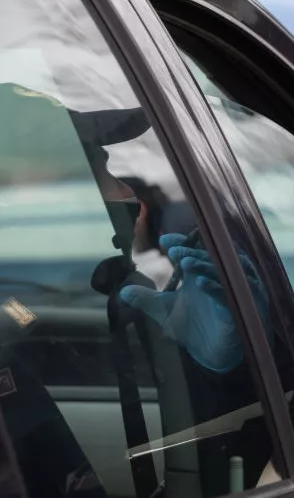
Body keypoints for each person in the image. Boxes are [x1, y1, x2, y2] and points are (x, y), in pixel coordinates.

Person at [0, 82, 275, 497]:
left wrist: (218, 372)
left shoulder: (80, 317)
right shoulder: (21, 336)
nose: (127, 193)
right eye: (92, 169)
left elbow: (204, 467)